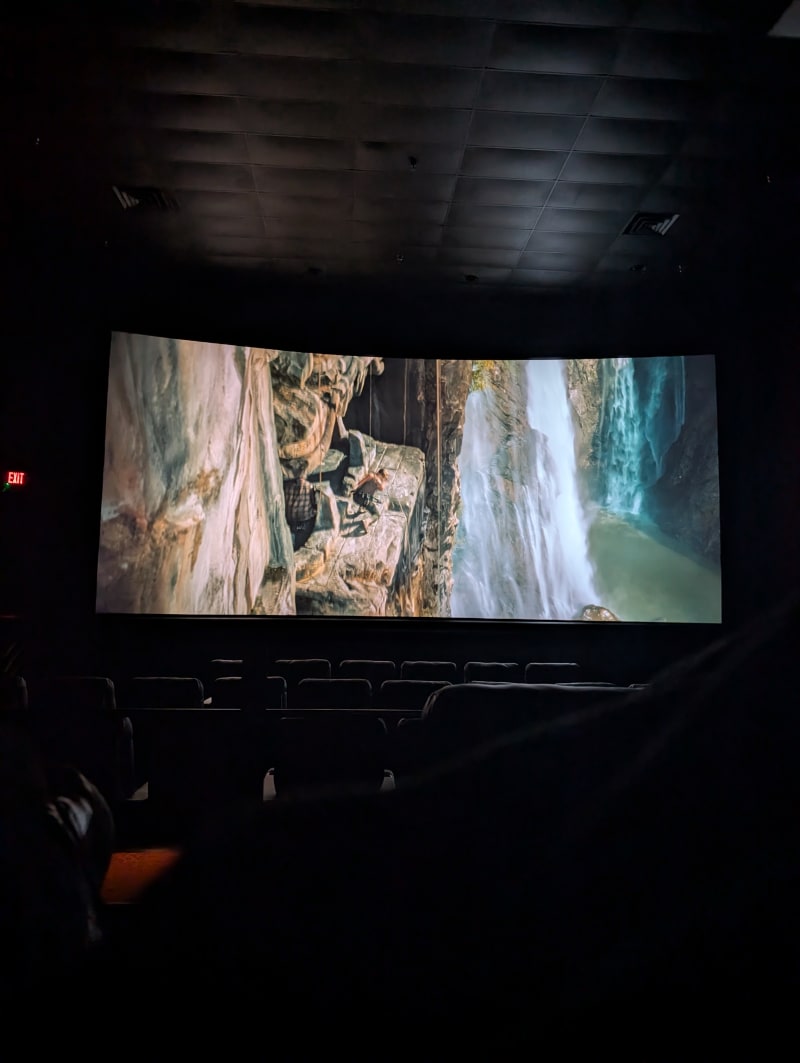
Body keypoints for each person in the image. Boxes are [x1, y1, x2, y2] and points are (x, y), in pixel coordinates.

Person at [283, 474, 318, 548]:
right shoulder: (309, 486)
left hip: (289, 520)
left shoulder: (286, 485)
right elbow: (314, 502)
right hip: (304, 521)